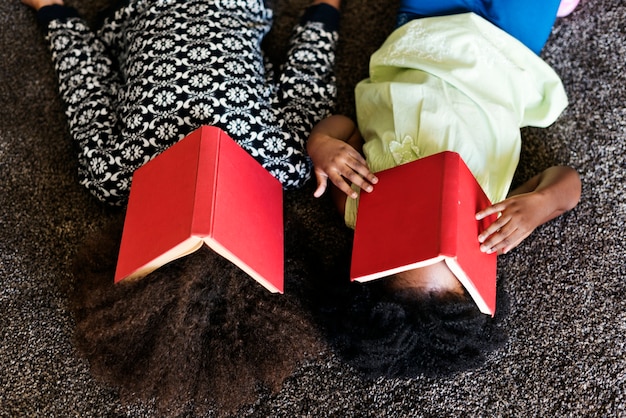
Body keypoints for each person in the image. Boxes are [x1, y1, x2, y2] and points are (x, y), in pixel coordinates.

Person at [306, 0, 582, 376]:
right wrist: (538, 204)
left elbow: (340, 126)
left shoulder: (356, 204)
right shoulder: (490, 226)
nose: (431, 217)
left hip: (422, 33)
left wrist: (322, 146)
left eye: (411, 240)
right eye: (446, 247)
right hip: (506, 51)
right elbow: (568, 182)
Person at [21, 0, 341, 206]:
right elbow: (307, 79)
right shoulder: (281, 164)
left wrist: (52, 11)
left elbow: (86, 87)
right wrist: (325, 9)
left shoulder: (116, 176)